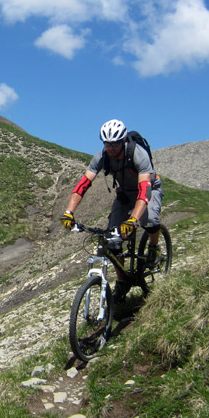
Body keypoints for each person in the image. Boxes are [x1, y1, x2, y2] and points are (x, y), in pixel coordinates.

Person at [60, 119, 163, 299]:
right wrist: (68, 213)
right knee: (112, 241)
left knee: (151, 221)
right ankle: (123, 281)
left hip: (149, 189)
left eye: (115, 144)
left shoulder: (138, 155)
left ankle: (154, 247)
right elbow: (83, 184)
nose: (111, 148)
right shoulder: (102, 157)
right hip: (125, 193)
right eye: (107, 144)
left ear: (123, 141)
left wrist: (133, 220)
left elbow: (144, 191)